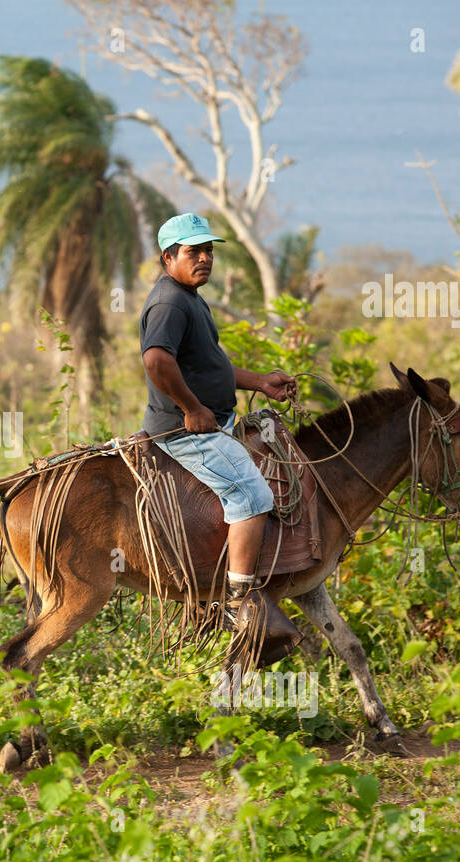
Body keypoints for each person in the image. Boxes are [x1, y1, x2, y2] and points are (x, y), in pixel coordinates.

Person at [139, 213, 296, 628]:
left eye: (208, 250)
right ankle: (235, 604)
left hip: (213, 421)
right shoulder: (170, 302)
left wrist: (260, 382)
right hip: (185, 433)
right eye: (194, 251)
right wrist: (192, 408)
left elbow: (210, 364)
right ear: (168, 257)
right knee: (253, 498)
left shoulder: (189, 295)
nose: (205, 258)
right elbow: (157, 361)